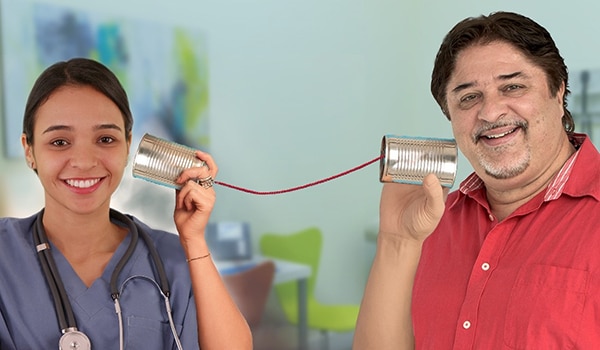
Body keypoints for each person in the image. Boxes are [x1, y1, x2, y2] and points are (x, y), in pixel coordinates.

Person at [353, 11, 600, 349]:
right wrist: (397, 242)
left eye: (512, 86)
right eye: (469, 97)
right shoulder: (429, 224)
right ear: (451, 117)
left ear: (558, 92)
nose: (490, 112)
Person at [0, 58, 252, 349]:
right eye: (59, 142)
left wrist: (194, 240)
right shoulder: (6, 254)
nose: (84, 162)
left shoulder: (172, 256)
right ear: (28, 150)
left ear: (127, 145)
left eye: (105, 139)